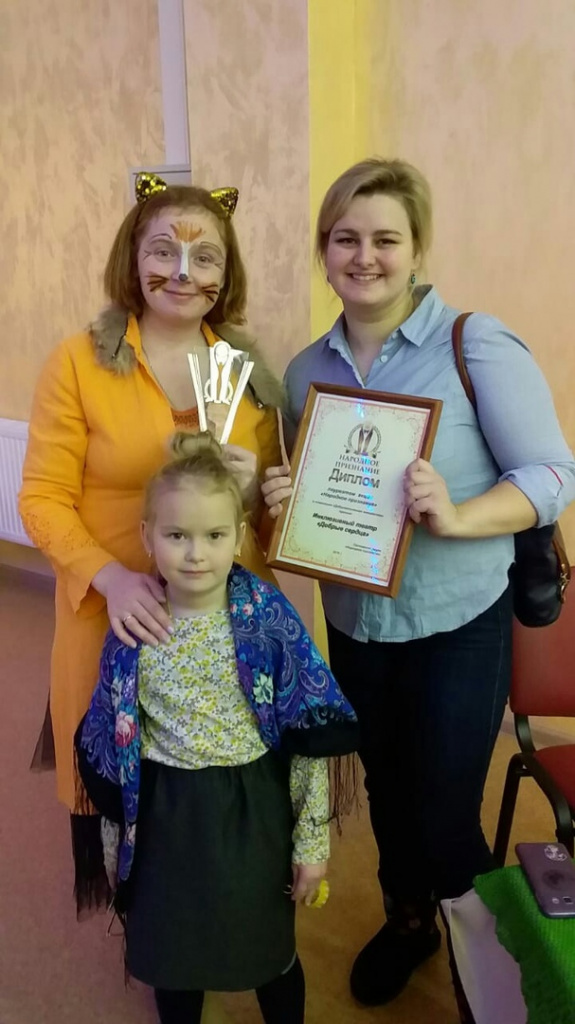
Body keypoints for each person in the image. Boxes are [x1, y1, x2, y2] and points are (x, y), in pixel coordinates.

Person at [262, 158, 575, 1020]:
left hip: (455, 622)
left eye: (384, 239)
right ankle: (410, 924)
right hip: (354, 624)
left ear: (415, 249)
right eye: (345, 239)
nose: (364, 256)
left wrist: (460, 515)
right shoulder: (304, 370)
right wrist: (283, 502)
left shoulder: (475, 345)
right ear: (324, 250)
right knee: (390, 795)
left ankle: (503, 967)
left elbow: (552, 474)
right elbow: (316, 503)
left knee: (443, 814)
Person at [19, 177, 285, 911]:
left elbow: (268, 530)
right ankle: (152, 928)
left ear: (227, 272)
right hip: (116, 620)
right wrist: (111, 578)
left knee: (217, 789)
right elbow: (41, 498)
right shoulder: (79, 363)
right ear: (132, 259)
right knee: (129, 794)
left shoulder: (249, 379)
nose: (183, 271)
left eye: (206, 257)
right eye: (163, 250)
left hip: (221, 632)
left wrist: (260, 491)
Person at [75, 431, 359, 1024]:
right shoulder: (132, 629)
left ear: (239, 536)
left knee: (267, 949)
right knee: (174, 953)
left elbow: (306, 744)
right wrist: (113, 846)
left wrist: (311, 848)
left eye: (214, 536)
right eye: (177, 535)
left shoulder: (268, 622)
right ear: (147, 537)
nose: (195, 554)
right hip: (166, 821)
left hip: (251, 815)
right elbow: (114, 752)